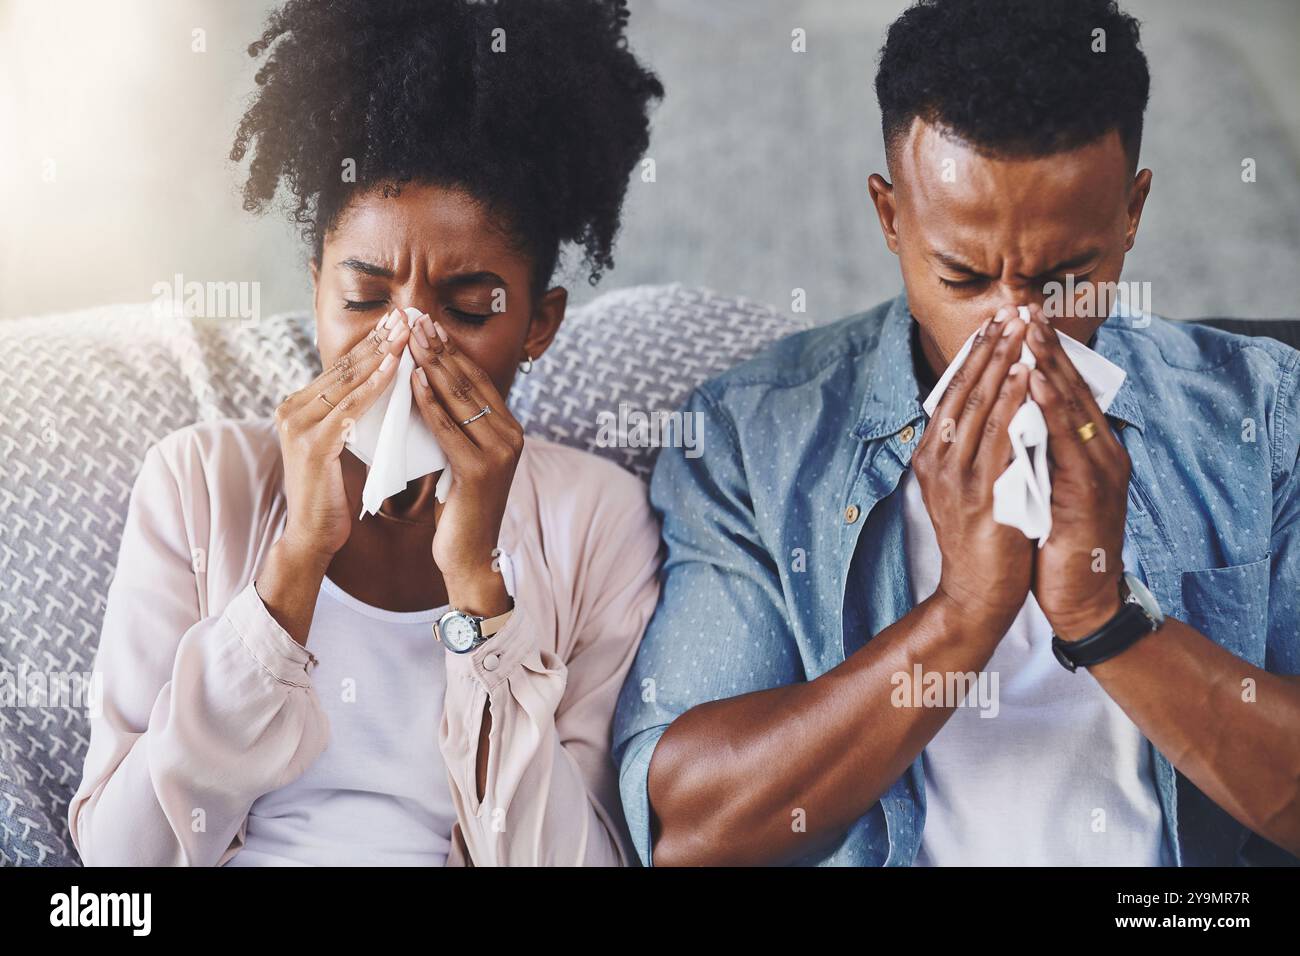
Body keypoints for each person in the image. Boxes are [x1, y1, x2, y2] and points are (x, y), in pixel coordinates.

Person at [614, 0, 1300, 866]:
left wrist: (1103, 620)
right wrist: (959, 618)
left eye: (1065, 278)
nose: (1017, 330)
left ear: (1132, 212)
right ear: (891, 217)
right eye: (964, 275)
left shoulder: (1264, 415)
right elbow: (688, 834)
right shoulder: (754, 438)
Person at [69, 0, 664, 867]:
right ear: (315, 292)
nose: (408, 343)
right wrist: (294, 564)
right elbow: (121, 867)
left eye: (466, 309)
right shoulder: (198, 483)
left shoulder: (598, 518)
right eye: (364, 300)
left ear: (539, 326)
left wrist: (477, 584)